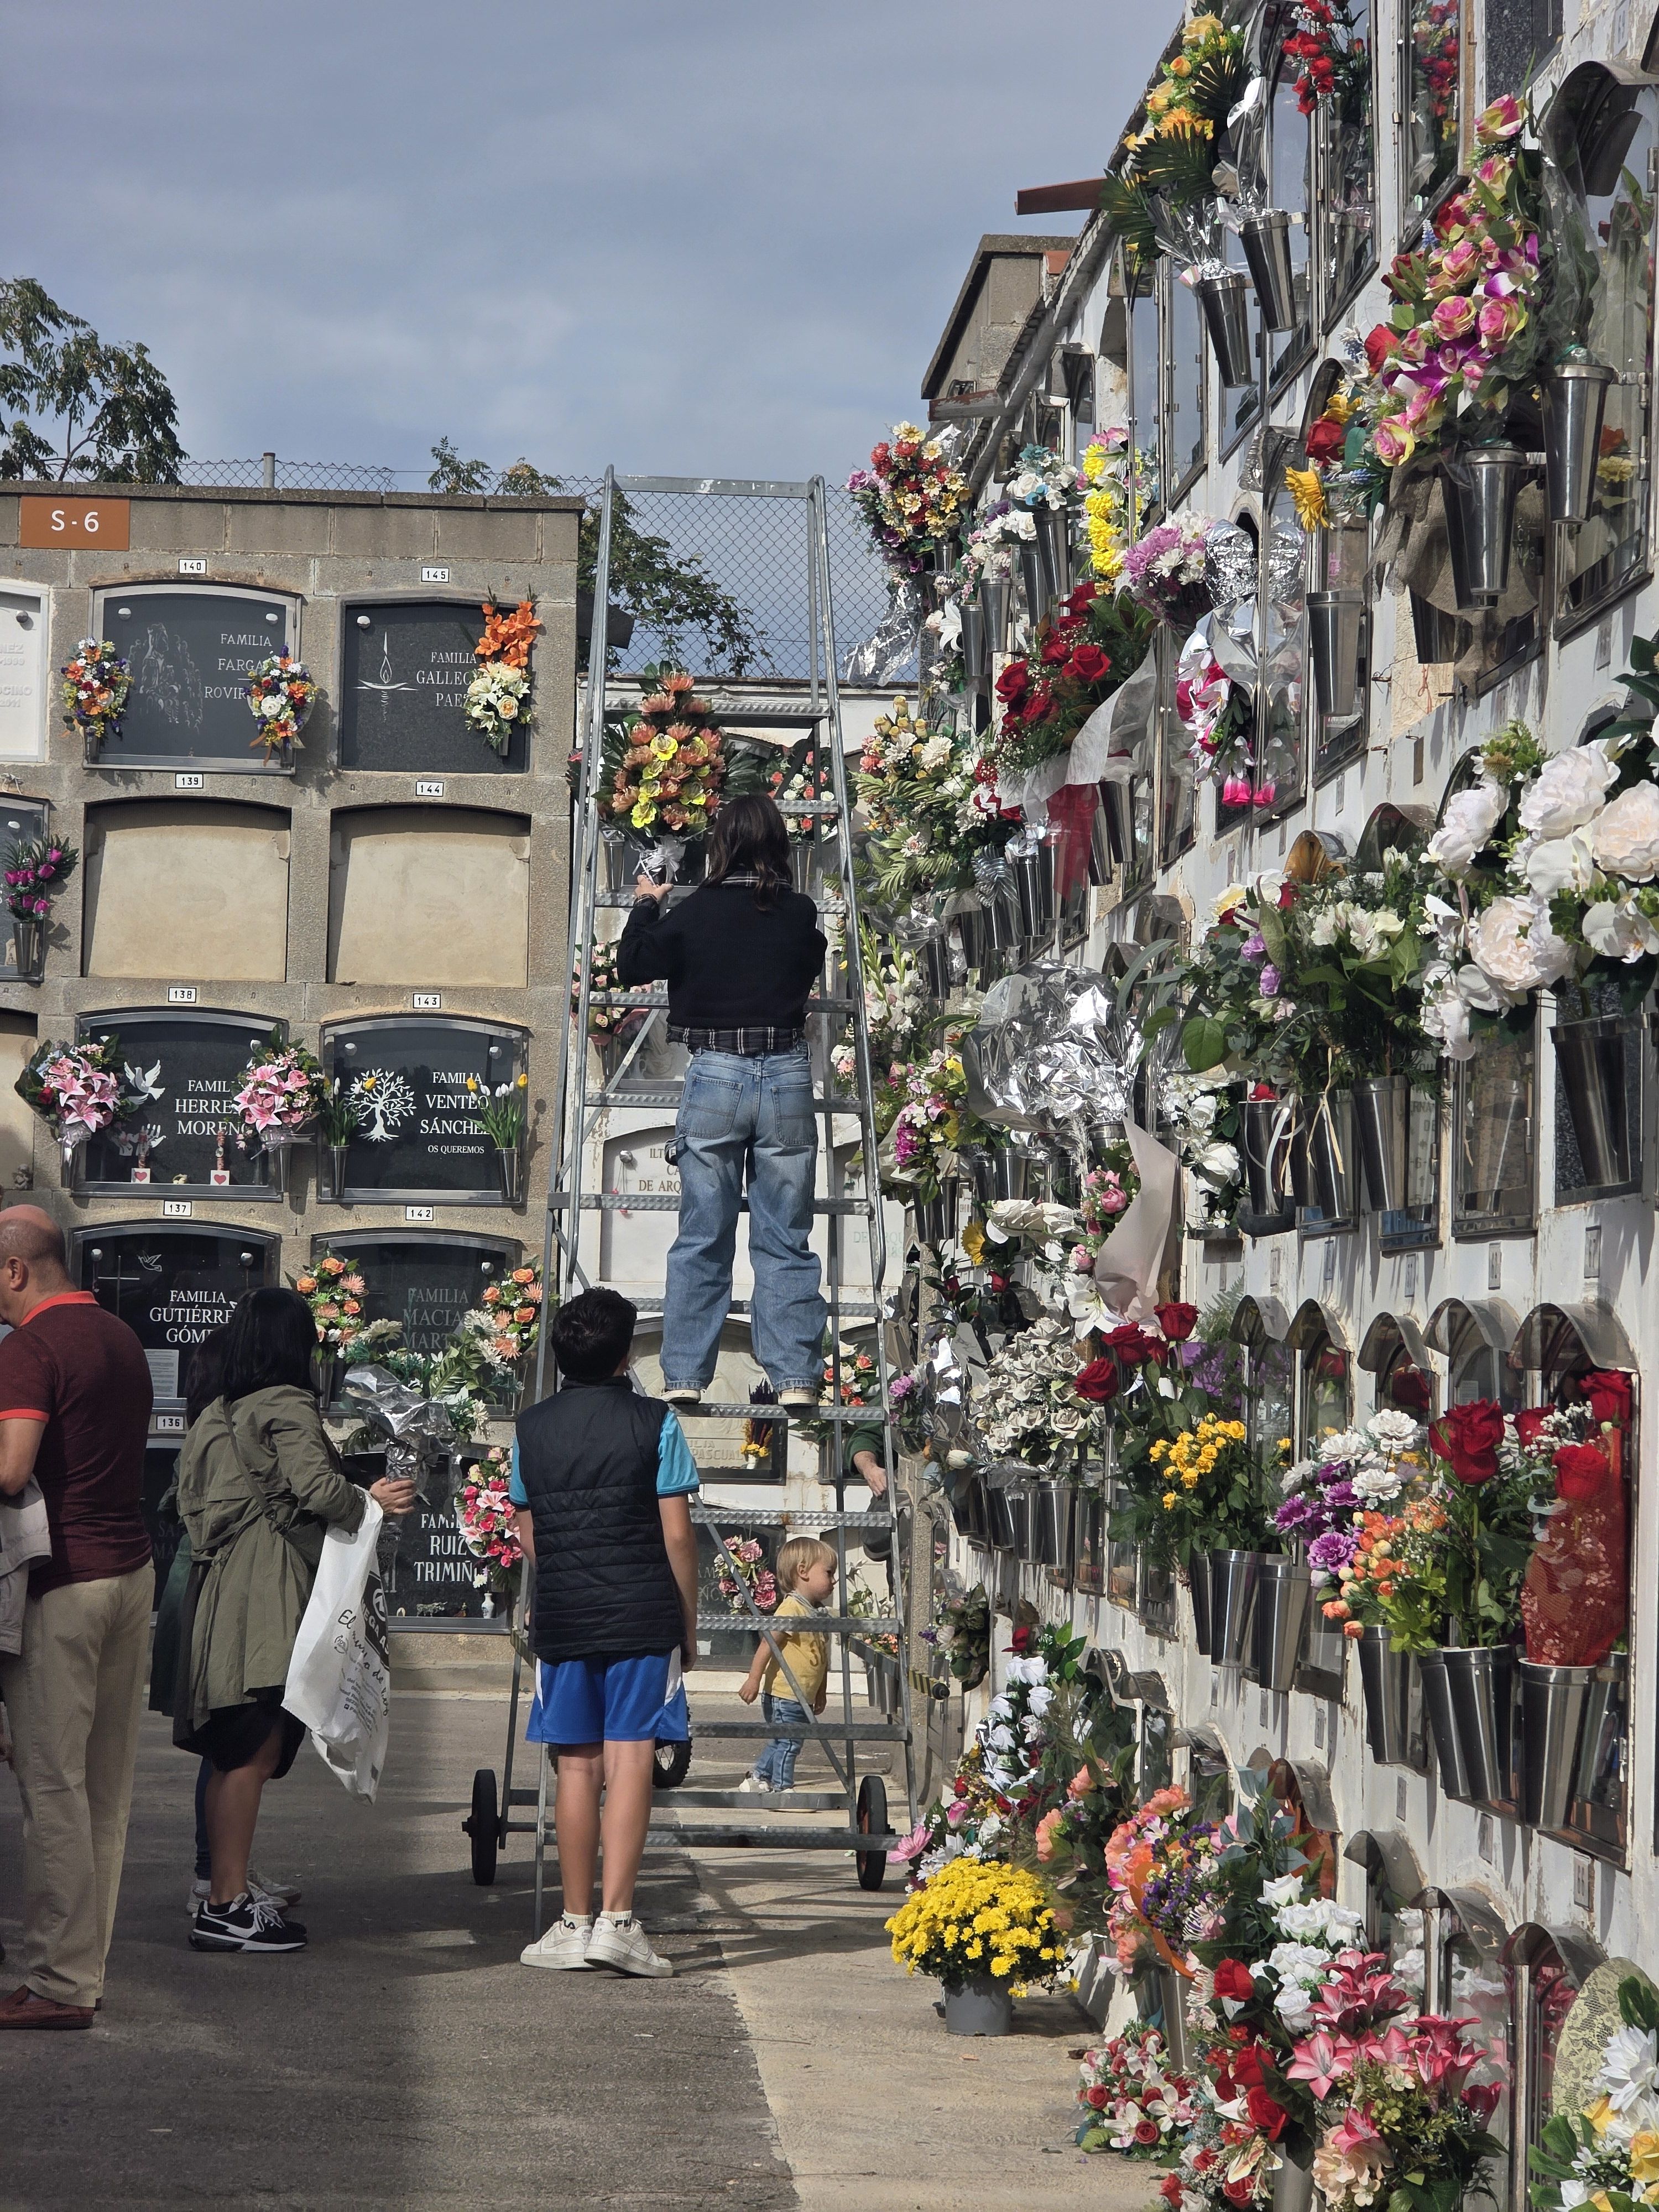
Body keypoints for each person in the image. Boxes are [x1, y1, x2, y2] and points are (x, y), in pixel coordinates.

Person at [175, 1286, 415, 1955]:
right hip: (269, 1596)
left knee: (231, 1752)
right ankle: (227, 1905)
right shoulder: (286, 1403)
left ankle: (222, 1894)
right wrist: (369, 1499)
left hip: (220, 1594)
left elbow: (189, 1505)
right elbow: (319, 1491)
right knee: (255, 1751)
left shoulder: (214, 1416)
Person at [510, 1287, 700, 1979]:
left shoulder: (530, 1428)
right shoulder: (658, 1423)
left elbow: (529, 1533)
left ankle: (572, 1921)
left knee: (576, 1765)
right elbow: (677, 1535)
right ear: (627, 1354)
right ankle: (619, 1922)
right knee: (629, 1763)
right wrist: (690, 1624)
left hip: (563, 1612)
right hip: (642, 1612)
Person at [617, 792, 828, 1410]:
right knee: (785, 1235)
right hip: (786, 1075)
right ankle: (794, 1376)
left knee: (703, 1231)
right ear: (778, 845)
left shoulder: (696, 912)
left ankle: (684, 1372)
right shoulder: (800, 912)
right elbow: (807, 963)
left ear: (721, 845)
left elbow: (633, 965)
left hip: (715, 1077)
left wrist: (647, 903)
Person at [0, 1206, 154, 2031]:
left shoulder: (29, 1349)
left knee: (51, 1783)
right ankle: (80, 1973)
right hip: (131, 1572)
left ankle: (57, 1983)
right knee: (105, 1787)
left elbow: (11, 1468)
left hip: (63, 1585)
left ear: (17, 1271)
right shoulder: (119, 1337)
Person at [149, 1331, 303, 1924]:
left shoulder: (209, 1424)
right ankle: (215, 1875)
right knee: (231, 1736)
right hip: (215, 1586)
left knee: (222, 1739)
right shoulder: (239, 1422)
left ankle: (223, 1871)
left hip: (199, 1580)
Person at [735, 1537, 837, 1796]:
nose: (833, 1580)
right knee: (790, 1742)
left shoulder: (817, 1613)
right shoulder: (791, 1609)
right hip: (784, 1694)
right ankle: (782, 1788)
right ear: (803, 1572)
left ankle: (758, 1777)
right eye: (828, 1573)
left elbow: (821, 1658)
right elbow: (767, 1645)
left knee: (783, 1740)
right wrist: (753, 1679)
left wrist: (821, 1692)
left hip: (801, 1695)